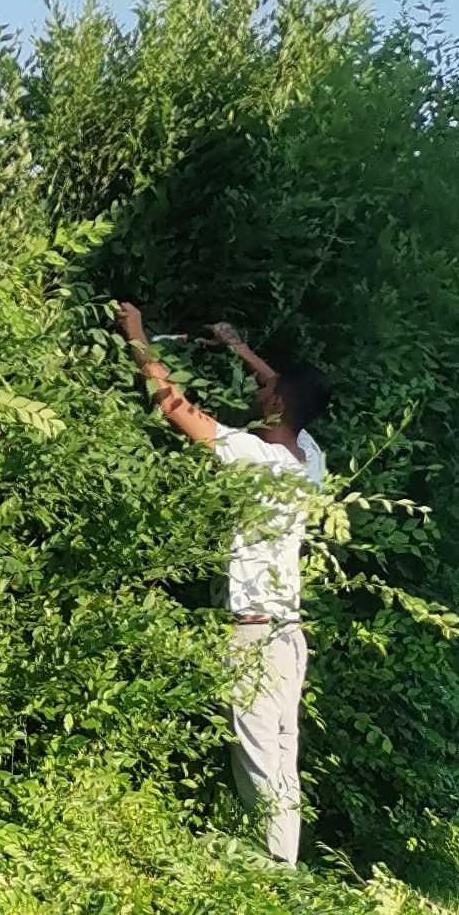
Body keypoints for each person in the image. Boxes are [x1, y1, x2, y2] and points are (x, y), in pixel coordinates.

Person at [110, 299, 334, 868]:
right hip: (289, 636)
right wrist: (236, 347)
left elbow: (175, 409)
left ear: (278, 402)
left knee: (260, 764)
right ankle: (285, 869)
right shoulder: (308, 457)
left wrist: (137, 337)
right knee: (282, 760)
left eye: (267, 389)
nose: (258, 391)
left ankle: (278, 885)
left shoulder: (255, 457)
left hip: (254, 638)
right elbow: (282, 391)